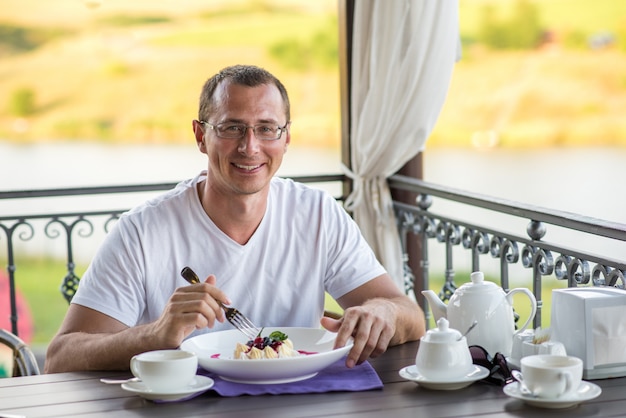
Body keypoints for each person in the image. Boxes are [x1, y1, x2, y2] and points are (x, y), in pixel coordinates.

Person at [44, 64, 425, 373]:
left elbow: (411, 316)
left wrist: (384, 311)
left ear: (286, 138)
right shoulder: (143, 232)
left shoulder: (318, 214)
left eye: (266, 128)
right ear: (200, 135)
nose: (250, 146)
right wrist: (156, 334)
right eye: (231, 128)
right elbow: (60, 357)